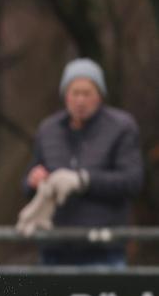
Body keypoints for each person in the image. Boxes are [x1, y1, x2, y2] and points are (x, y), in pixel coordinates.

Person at [16, 57, 143, 266]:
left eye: (87, 93)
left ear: (100, 95)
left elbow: (132, 181)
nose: (80, 100)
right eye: (75, 93)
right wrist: (34, 180)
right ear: (65, 95)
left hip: (103, 249)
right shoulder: (48, 129)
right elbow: (28, 181)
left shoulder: (121, 127)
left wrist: (83, 181)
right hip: (55, 247)